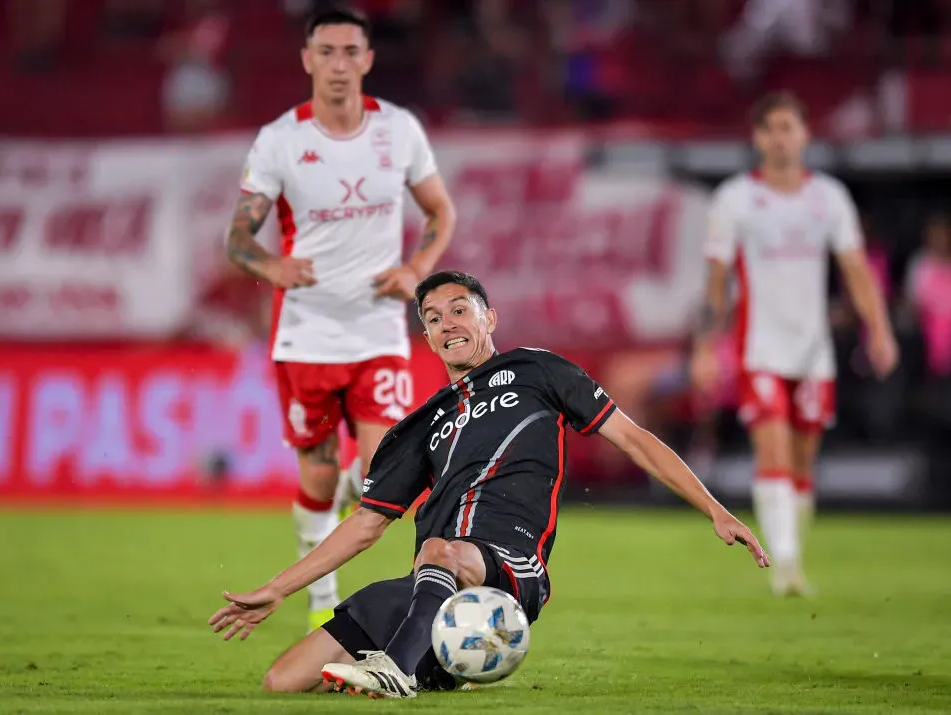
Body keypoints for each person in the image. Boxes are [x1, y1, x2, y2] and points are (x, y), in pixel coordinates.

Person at [208, 270, 769, 699]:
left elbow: (634, 437)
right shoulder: (421, 424)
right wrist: (278, 588)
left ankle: (403, 669)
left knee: (440, 548)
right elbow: (364, 524)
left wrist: (714, 509)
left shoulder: (538, 371)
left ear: (489, 319)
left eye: (459, 310)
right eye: (433, 317)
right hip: (433, 584)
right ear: (427, 337)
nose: (448, 323)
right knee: (281, 682)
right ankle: (439, 665)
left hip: (510, 570)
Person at [225, 5, 456, 632]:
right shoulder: (281, 140)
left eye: (350, 51)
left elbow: (439, 212)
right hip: (306, 336)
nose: (338, 64)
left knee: (385, 477)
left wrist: (417, 269)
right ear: (307, 59)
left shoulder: (399, 130)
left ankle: (346, 558)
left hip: (377, 331)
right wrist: (272, 268)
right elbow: (239, 239)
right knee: (321, 482)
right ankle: (321, 604)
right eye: (325, 51)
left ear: (368, 59)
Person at [691, 92, 898, 597]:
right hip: (759, 347)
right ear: (758, 137)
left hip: (814, 352)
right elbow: (716, 282)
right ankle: (784, 567)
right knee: (774, 452)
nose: (781, 137)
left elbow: (855, 271)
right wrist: (704, 346)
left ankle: (791, 551)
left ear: (804, 134)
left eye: (789, 127)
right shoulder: (735, 198)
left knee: (803, 464)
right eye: (772, 128)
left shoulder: (829, 197)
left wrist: (881, 330)